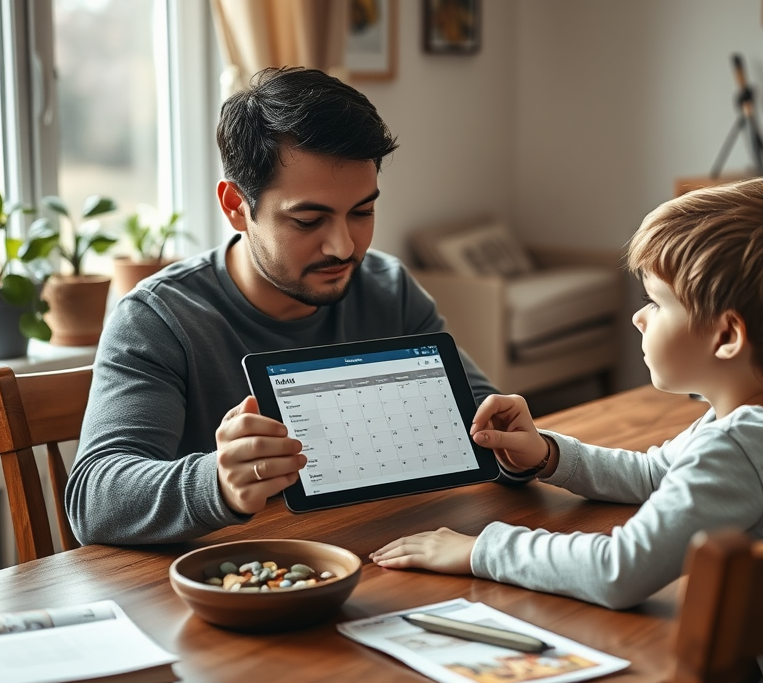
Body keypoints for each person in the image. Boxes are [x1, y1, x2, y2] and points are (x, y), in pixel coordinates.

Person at [371, 177, 763, 683]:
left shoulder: (737, 446)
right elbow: (658, 471)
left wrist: (477, 552)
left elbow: (620, 571)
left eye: (656, 302)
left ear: (727, 337)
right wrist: (547, 455)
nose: (639, 316)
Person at [65, 67, 496, 545]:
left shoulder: (388, 289)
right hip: (236, 586)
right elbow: (94, 499)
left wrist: (522, 449)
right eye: (309, 220)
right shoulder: (159, 319)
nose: (343, 247)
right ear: (235, 206)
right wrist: (217, 482)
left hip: (382, 554)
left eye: (363, 212)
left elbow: (485, 421)